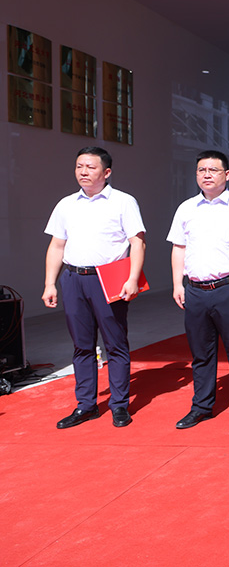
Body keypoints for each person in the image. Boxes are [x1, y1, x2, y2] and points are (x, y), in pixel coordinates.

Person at [43, 146, 146, 429]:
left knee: (116, 344)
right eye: (79, 166)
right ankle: (86, 405)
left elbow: (137, 242)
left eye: (90, 167)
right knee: (82, 345)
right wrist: (50, 283)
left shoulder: (123, 202)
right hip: (73, 279)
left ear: (106, 172)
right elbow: (57, 245)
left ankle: (119, 405)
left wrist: (133, 278)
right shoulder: (66, 204)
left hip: (109, 279)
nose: (83, 172)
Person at [168, 150, 229, 431]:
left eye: (213, 170)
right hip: (196, 290)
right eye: (201, 170)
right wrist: (177, 283)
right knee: (201, 353)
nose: (206, 175)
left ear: (227, 174)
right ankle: (201, 406)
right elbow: (179, 248)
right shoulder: (186, 208)